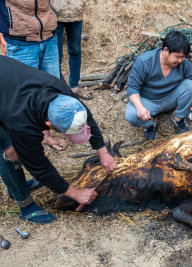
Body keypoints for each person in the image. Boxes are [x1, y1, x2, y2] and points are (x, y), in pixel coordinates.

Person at [0, 55, 116, 224]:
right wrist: (76, 193)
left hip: (7, 83)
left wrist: (102, 150)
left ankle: (16, 185)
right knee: (10, 150)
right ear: (48, 124)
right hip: (9, 100)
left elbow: (86, 115)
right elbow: (39, 166)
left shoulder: (60, 91)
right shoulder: (23, 124)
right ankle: (25, 205)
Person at [0, 0, 67, 151]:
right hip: (20, 40)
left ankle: (46, 134)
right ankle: (27, 143)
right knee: (24, 98)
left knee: (51, 90)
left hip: (48, 37)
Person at [125, 31, 192, 140]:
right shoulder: (144, 62)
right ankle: (150, 124)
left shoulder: (183, 63)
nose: (180, 60)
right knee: (131, 115)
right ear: (165, 51)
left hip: (171, 98)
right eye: (177, 57)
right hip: (148, 101)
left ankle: (178, 118)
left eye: (183, 57)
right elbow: (131, 87)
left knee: (191, 85)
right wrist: (140, 108)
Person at [51, 0, 93, 100]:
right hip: (55, 15)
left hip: (76, 13)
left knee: (75, 51)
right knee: (56, 54)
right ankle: (58, 87)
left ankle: (74, 86)